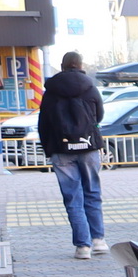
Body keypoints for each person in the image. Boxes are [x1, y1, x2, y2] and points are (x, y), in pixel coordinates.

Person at [38, 52, 107, 258]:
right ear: (80, 65)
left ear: (62, 65)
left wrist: (49, 148)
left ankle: (83, 247)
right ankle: (98, 240)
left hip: (61, 149)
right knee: (92, 192)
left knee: (72, 197)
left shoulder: (50, 92)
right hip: (88, 146)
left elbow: (43, 123)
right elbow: (99, 115)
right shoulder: (90, 87)